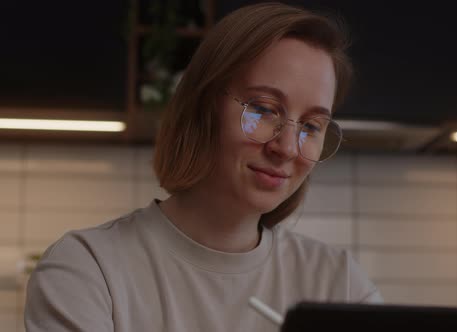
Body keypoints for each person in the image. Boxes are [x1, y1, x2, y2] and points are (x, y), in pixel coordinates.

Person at [25, 2, 383, 331]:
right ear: (202, 106)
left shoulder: (340, 284)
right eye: (263, 110)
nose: (287, 148)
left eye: (311, 127)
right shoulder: (89, 269)